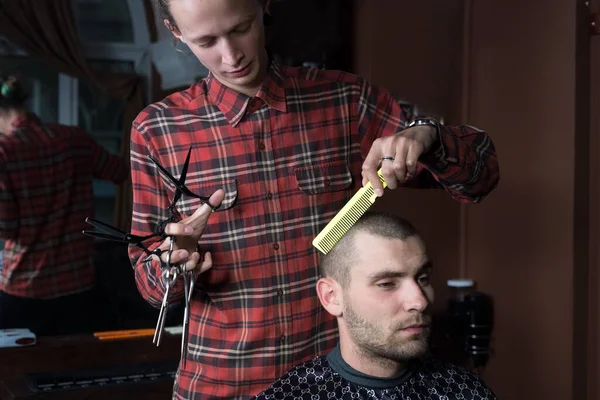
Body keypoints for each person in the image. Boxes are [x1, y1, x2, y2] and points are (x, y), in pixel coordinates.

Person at [129, 0, 500, 398]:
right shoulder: (158, 131)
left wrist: (427, 136)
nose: (230, 55)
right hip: (225, 386)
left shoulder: (345, 100)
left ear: (263, 7)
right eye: (206, 41)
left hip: (339, 385)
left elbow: (480, 178)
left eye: (240, 29)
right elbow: (150, 283)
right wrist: (173, 263)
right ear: (176, 32)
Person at [252, 212, 496, 399]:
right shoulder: (289, 395)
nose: (419, 301)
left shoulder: (465, 391)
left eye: (422, 279)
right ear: (332, 297)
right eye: (387, 283)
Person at [0, 75, 128, 335]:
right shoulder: (74, 138)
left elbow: (6, 227)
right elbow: (119, 172)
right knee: (78, 368)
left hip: (25, 289)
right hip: (80, 285)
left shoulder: (4, 152)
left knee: (16, 371)